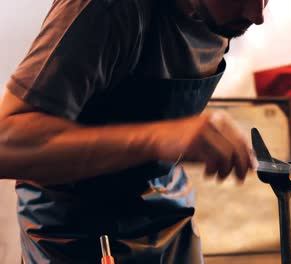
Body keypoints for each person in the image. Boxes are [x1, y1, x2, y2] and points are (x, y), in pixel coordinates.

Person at [0, 0, 268, 263]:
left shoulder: (227, 16)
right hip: (76, 232)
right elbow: (5, 145)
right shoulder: (106, 9)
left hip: (168, 211)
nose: (257, 15)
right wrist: (159, 138)